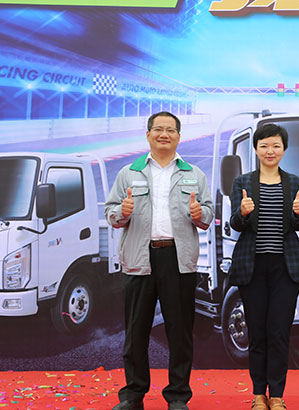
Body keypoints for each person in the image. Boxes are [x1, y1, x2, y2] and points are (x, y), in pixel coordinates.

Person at [105, 111, 214, 410]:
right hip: (138, 258)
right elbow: (111, 213)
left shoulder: (194, 174)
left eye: (170, 130)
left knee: (180, 332)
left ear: (178, 136)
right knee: (136, 331)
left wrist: (200, 214)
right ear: (148, 135)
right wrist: (122, 212)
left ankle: (178, 396)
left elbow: (208, 214)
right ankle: (133, 395)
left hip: (178, 259)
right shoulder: (129, 172)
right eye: (158, 129)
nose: (164, 134)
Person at [229, 123, 299, 410]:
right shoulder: (242, 183)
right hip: (253, 267)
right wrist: (242, 213)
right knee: (257, 332)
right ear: (256, 149)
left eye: (275, 145)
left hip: (285, 267)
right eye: (264, 145)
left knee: (279, 332)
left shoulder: (294, 183)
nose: (270, 151)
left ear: (284, 149)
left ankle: (276, 395)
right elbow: (235, 224)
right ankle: (258, 395)